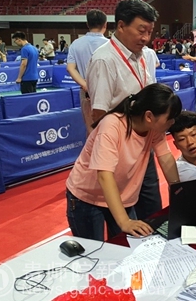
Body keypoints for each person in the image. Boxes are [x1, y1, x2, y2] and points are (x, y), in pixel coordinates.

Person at [65, 83, 181, 241]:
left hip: (121, 197)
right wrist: (124, 221)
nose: (172, 122)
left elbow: (166, 157)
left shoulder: (154, 128)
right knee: (94, 252)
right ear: (149, 116)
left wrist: (180, 194)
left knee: (128, 246)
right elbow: (104, 175)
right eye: (170, 118)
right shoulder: (112, 126)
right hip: (86, 198)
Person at [87, 0, 163, 221]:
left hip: (144, 146)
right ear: (121, 25)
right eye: (141, 30)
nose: (146, 38)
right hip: (121, 151)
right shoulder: (104, 60)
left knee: (153, 213)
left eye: (149, 32)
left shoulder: (144, 55)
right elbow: (99, 115)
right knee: (124, 218)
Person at [67, 9, 109, 135]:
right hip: (108, 92)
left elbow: (70, 68)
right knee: (108, 129)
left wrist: (85, 85)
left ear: (87, 24)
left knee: (90, 129)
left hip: (86, 92)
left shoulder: (75, 44)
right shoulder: (111, 44)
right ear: (105, 25)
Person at [169, 111, 196, 182]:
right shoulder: (181, 171)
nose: (190, 142)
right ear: (176, 145)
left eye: (193, 134)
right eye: (182, 139)